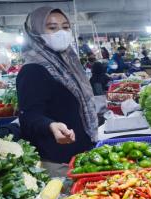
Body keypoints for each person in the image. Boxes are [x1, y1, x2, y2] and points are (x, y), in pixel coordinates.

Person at [17, 7, 97, 174]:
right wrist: (50, 125)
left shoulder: (69, 62)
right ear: (35, 32)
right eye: (52, 28)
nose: (61, 32)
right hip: (58, 161)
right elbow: (29, 116)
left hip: (80, 155)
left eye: (66, 27)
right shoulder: (33, 70)